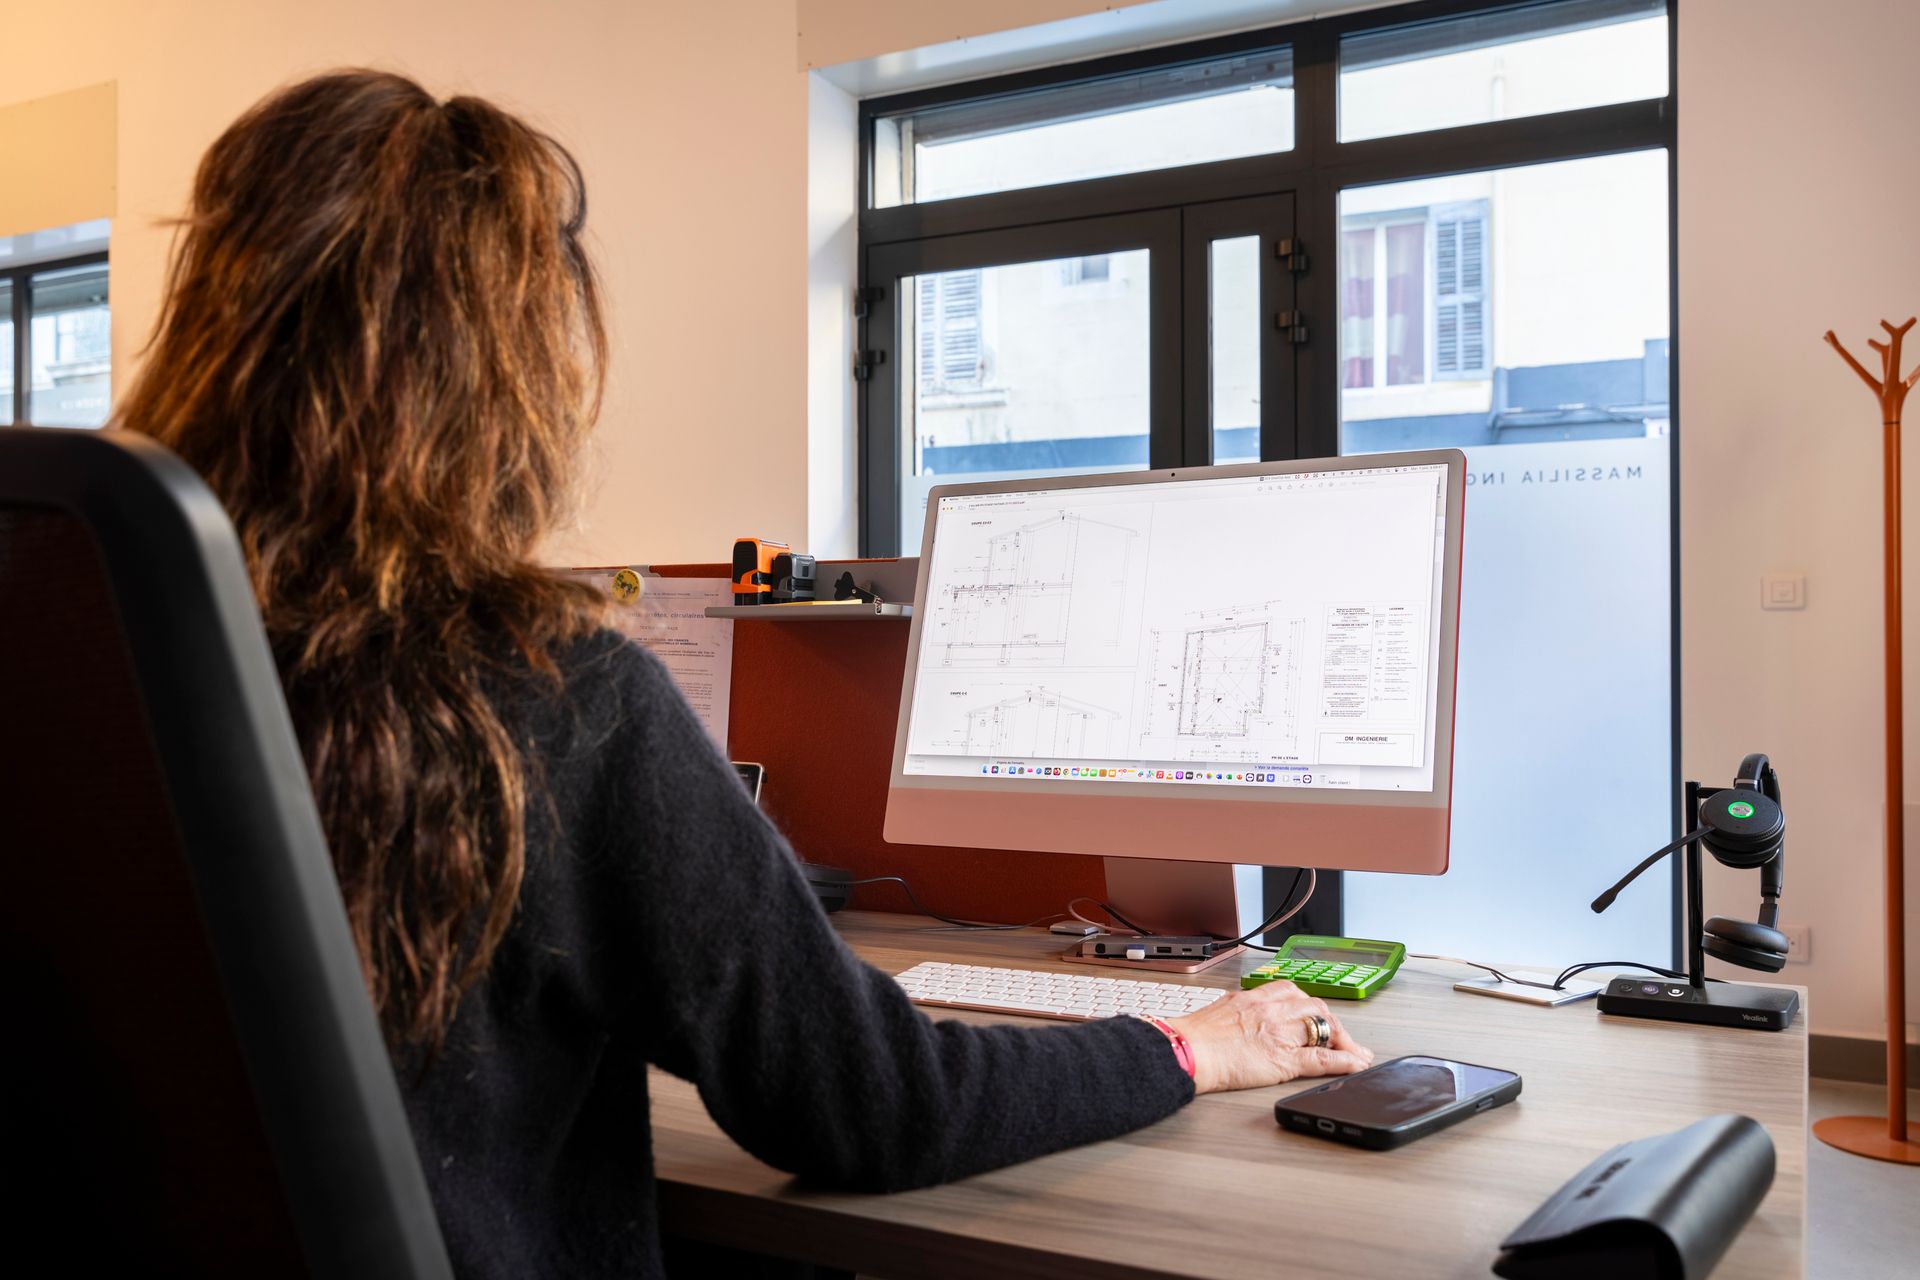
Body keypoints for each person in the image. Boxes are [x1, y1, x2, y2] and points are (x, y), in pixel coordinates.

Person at [116, 70, 1374, 1279]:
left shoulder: (93, 665)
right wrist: (1187, 1046)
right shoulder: (547, 700)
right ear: (509, 377)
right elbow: (875, 1108)